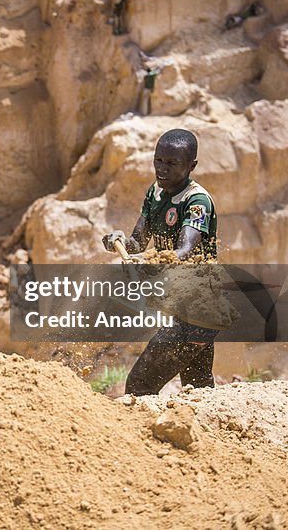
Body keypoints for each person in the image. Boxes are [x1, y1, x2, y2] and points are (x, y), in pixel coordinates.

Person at [102, 129, 221, 396]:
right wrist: (119, 241)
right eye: (158, 160)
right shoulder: (156, 192)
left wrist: (144, 260)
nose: (162, 169)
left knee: (139, 385)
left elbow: (185, 251)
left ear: (192, 166)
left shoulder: (196, 201)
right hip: (184, 309)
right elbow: (137, 243)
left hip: (197, 312)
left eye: (171, 163)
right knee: (198, 386)